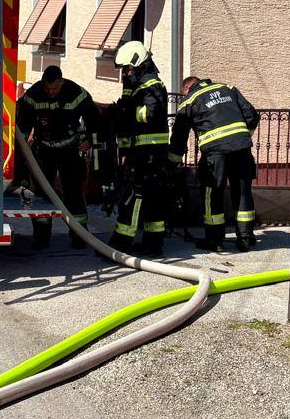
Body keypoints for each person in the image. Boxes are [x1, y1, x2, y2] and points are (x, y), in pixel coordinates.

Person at [171, 74, 260, 251]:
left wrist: (173, 161)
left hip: (215, 153)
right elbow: (252, 116)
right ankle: (245, 237)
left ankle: (215, 240)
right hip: (241, 148)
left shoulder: (190, 100)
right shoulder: (228, 89)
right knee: (242, 192)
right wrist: (241, 137)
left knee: (212, 194)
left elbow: (179, 136)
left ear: (187, 88)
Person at [14, 66, 97, 248]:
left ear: (62, 81)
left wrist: (89, 140)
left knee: (73, 193)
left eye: (55, 88)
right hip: (44, 151)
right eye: (47, 88)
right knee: (42, 195)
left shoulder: (75, 93)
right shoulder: (34, 94)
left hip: (70, 151)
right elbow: (22, 124)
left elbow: (94, 119)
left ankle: (80, 236)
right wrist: (20, 153)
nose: (51, 92)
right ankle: (41, 238)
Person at [108, 40, 172, 257]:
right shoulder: (139, 84)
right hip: (146, 151)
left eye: (127, 69)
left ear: (138, 64)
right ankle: (153, 244)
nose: (125, 73)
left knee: (134, 196)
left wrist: (127, 113)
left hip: (149, 152)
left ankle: (122, 243)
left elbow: (150, 113)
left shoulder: (151, 85)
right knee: (152, 197)